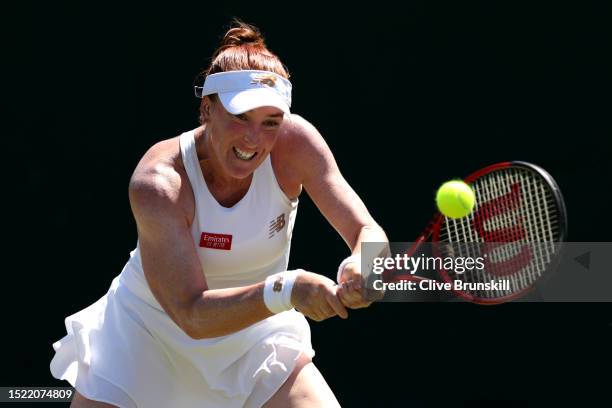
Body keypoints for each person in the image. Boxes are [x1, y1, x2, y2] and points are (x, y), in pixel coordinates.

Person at [50, 20, 388, 408]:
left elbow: (367, 230)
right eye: (240, 117)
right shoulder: (160, 182)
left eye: (270, 123)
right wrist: (289, 289)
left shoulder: (296, 145)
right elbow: (192, 314)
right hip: (144, 345)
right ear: (206, 109)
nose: (253, 139)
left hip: (257, 343)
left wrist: (368, 263)